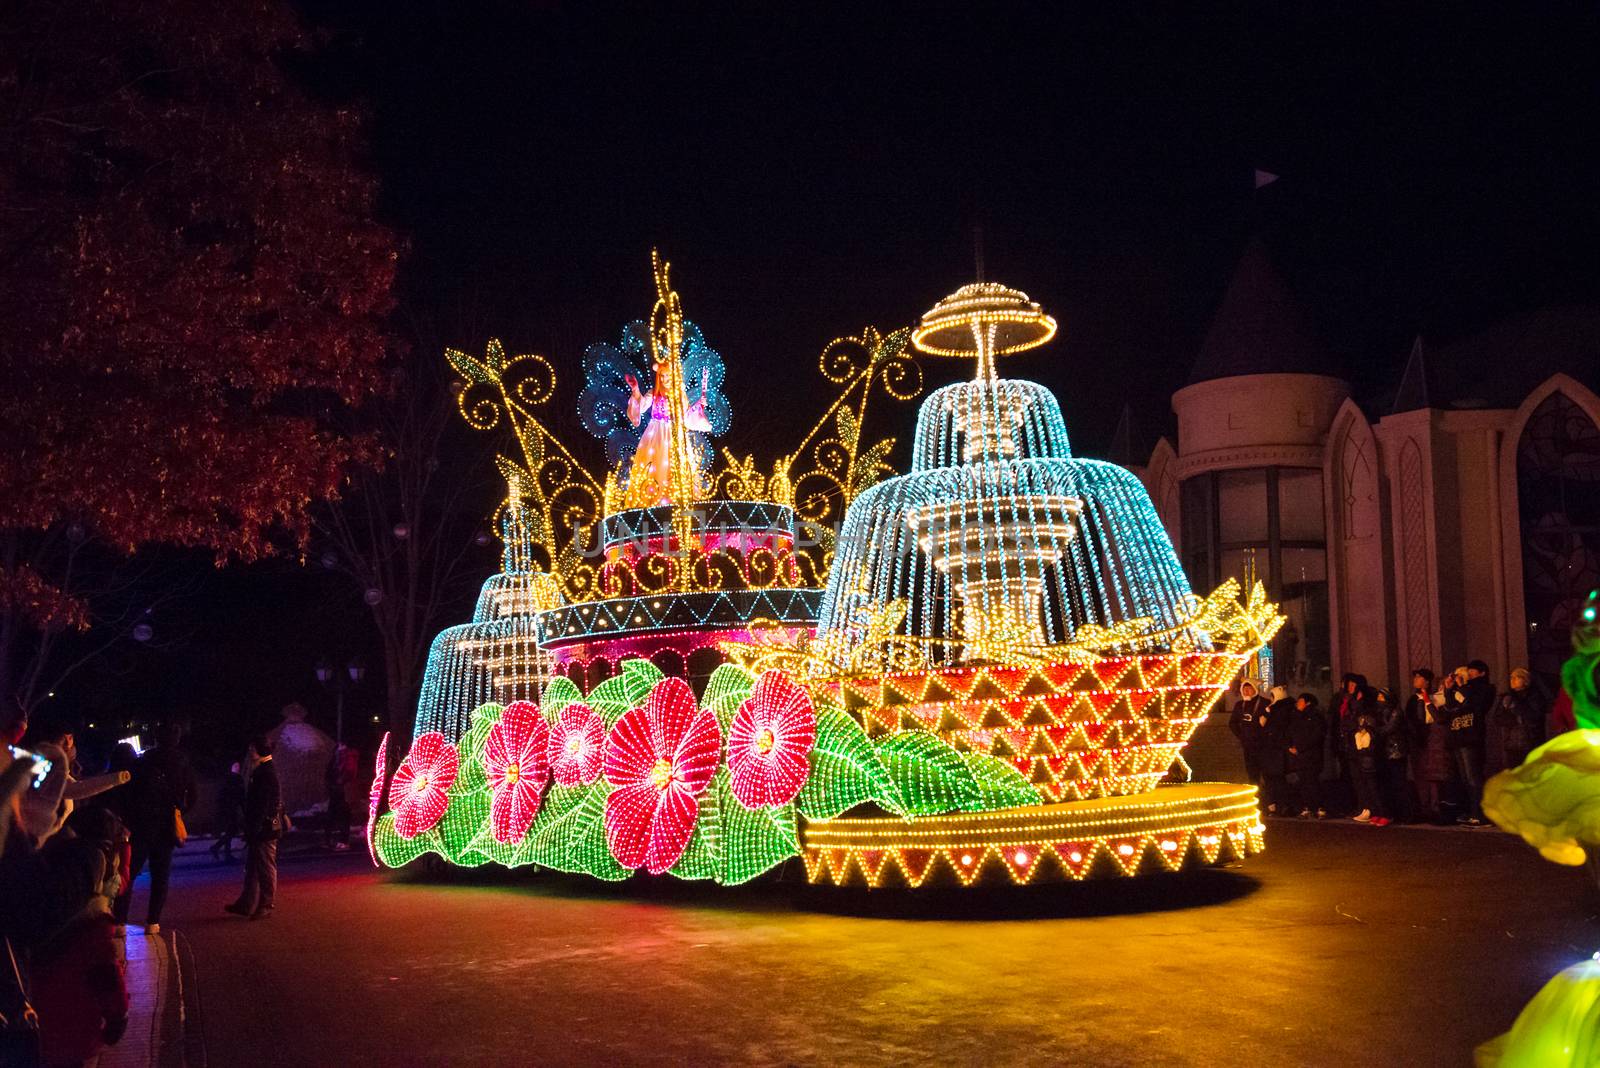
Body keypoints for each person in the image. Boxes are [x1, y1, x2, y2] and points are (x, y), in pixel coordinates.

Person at [29, 807, 129, 1067]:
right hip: (75, 1027)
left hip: (33, 1025)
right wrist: (118, 1017)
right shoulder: (93, 928)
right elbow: (106, 978)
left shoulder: (36, 906)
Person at [112, 721, 197, 935]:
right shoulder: (183, 762)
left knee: (130, 873)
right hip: (166, 827)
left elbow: (131, 793)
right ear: (177, 738)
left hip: (141, 825)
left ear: (157, 737)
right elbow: (192, 795)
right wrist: (179, 811)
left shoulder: (145, 760)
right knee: (161, 876)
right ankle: (153, 922)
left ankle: (120, 921)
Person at [226, 734, 281, 921]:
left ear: (259, 750)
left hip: (263, 829)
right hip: (260, 827)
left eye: (252, 748)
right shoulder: (264, 770)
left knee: (264, 866)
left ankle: (265, 904)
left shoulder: (264, 773)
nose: (250, 751)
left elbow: (262, 804)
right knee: (253, 866)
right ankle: (247, 902)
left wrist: (254, 828)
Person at [1448, 660, 1494, 825]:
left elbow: (1475, 705)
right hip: (1458, 735)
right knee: (1465, 778)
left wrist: (1463, 687)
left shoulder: (1485, 688)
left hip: (1471, 735)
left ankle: (1481, 814)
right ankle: (1471, 811)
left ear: (1482, 673)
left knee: (1474, 777)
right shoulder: (1465, 689)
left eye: (1472, 671)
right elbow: (1451, 706)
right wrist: (1449, 689)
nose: (1470, 674)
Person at [1406, 670, 1451, 824]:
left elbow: (1438, 718)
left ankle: (1435, 809)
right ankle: (1423, 808)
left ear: (1427, 681)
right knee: (1419, 776)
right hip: (1417, 741)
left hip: (1433, 740)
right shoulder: (1413, 700)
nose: (1415, 679)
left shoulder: (1435, 699)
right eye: (1415, 677)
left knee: (1433, 776)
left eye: (1419, 677)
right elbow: (1410, 720)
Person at [1486, 667, 1549, 777]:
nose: (1513, 680)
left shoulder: (1534, 696)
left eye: (1517, 677)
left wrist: (1516, 707)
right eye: (1511, 677)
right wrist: (1513, 718)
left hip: (1530, 742)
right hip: (1512, 743)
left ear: (1525, 680)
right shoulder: (1507, 697)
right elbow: (1497, 718)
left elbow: (1533, 716)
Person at [1345, 687, 1386, 824]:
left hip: (1369, 754)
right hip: (1361, 753)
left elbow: (1371, 735)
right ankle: (1371, 810)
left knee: (1373, 785)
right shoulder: (1358, 715)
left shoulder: (1368, 716)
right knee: (1365, 783)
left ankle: (1380, 812)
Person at [1287, 692, 1327, 818]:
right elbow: (1290, 733)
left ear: (1308, 703)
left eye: (1300, 701)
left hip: (1311, 755)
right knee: (1304, 782)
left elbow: (1316, 736)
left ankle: (1318, 807)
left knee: (1311, 781)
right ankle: (1308, 807)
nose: (1297, 704)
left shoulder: (1315, 716)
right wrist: (1291, 746)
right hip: (1301, 755)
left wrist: (1299, 747)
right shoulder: (1296, 716)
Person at [1373, 687, 1410, 824]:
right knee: (1387, 783)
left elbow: (1389, 728)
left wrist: (1374, 731)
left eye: (1381, 697)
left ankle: (1403, 814)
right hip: (1385, 751)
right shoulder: (1380, 712)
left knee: (1398, 783)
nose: (1378, 700)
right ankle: (1390, 812)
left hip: (1396, 751)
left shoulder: (1396, 711)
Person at [1226, 678, 1270, 794]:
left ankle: (1271, 802)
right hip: (1248, 746)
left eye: (1249, 689)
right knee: (1252, 774)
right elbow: (1232, 723)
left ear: (1255, 689)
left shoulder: (1265, 703)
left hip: (1264, 746)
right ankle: (1256, 798)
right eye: (1244, 689)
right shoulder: (1240, 705)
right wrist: (1242, 736)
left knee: (1267, 774)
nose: (1246, 692)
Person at [1259, 685, 1294, 814]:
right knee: (1275, 778)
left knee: (1276, 778)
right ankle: (1279, 805)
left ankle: (1280, 805)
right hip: (1274, 749)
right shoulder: (1281, 708)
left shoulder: (1279, 710)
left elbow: (1269, 727)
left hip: (1275, 749)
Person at [324, 744, 359, 851]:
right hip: (336, 792)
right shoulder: (335, 762)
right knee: (331, 816)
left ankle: (344, 841)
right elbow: (328, 774)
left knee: (344, 817)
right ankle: (328, 839)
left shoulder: (348, 762)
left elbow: (349, 774)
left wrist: (340, 781)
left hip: (344, 793)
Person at [212, 761, 246, 861]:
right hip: (230, 809)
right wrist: (244, 808)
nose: (237, 767)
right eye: (235, 765)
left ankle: (222, 851)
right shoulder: (237, 779)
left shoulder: (227, 779)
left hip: (227, 809)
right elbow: (241, 795)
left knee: (230, 831)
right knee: (232, 830)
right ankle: (220, 850)